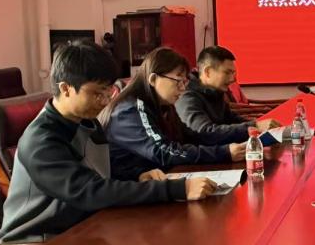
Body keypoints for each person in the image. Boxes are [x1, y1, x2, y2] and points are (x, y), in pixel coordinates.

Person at [0, 42, 216, 244]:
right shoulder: (41, 140)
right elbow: (89, 191)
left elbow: (102, 172)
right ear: (65, 88)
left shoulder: (88, 123)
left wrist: (137, 176)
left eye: (108, 91)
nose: (104, 101)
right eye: (96, 93)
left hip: (82, 232)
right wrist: (177, 188)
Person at [102, 47, 247, 181]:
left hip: (157, 179)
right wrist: (223, 153)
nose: (183, 88)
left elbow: (191, 136)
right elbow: (163, 151)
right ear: (153, 79)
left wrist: (235, 145)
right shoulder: (131, 108)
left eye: (185, 82)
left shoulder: (164, 106)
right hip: (129, 187)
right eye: (178, 81)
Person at [176, 45, 279, 141]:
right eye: (227, 72)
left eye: (233, 73)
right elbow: (204, 133)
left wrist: (258, 124)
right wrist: (254, 126)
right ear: (208, 72)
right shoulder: (187, 97)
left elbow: (231, 119)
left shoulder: (214, 91)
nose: (232, 79)